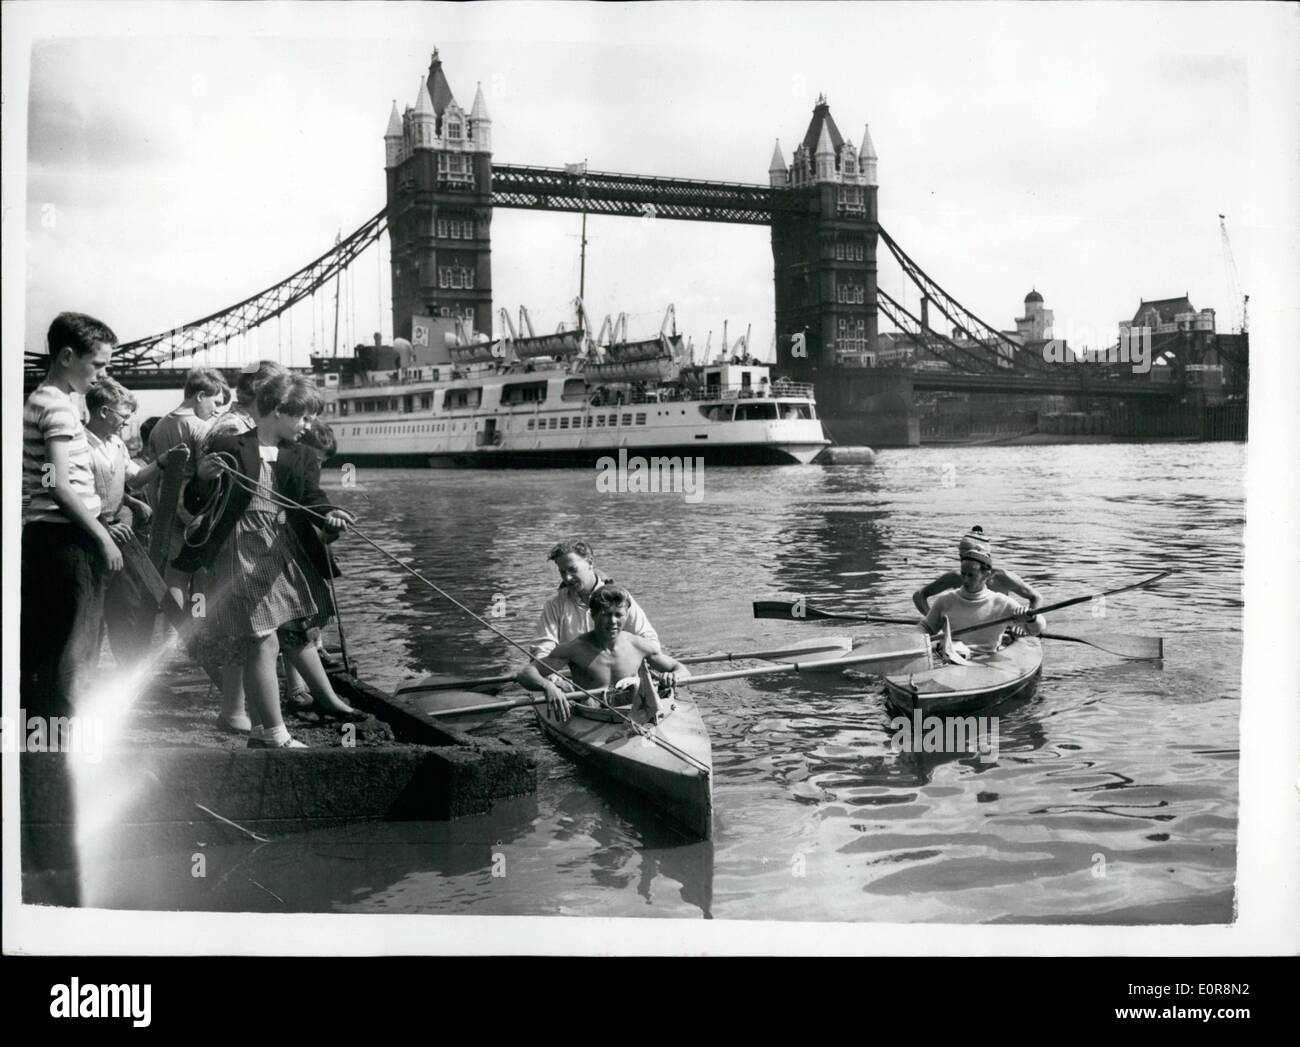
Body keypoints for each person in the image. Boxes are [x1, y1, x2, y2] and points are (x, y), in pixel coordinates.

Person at [179, 375, 357, 747]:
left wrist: (331, 517)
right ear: (277, 411)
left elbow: (312, 499)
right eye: (304, 418)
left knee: (270, 637)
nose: (307, 426)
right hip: (237, 547)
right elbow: (196, 503)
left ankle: (262, 730)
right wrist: (201, 478)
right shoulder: (228, 444)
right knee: (262, 640)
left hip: (280, 550)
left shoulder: (303, 455)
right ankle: (275, 734)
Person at [21, 312, 121, 726]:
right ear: (66, 357)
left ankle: (45, 740)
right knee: (74, 648)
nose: (102, 374)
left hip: (49, 538)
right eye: (97, 364)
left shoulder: (49, 400)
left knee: (48, 644)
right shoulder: (58, 409)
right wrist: (103, 537)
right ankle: (67, 745)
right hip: (67, 540)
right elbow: (59, 484)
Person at [192, 360, 288, 732]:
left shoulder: (239, 423)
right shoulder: (234, 429)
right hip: (240, 538)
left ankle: (234, 711)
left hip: (239, 536)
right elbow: (237, 494)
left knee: (241, 631)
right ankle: (270, 728)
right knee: (262, 637)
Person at [83, 377, 174, 667]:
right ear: (104, 412)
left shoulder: (117, 444)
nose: (127, 421)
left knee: (127, 607)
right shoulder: (79, 445)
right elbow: (73, 493)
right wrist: (104, 525)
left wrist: (162, 463)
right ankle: (85, 679)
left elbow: (135, 477)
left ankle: (129, 672)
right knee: (91, 613)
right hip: (91, 533)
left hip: (120, 534)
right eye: (123, 415)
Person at [518, 585, 689, 722]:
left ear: (626, 615)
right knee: (556, 684)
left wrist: (672, 677)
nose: (613, 621)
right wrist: (548, 687)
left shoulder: (639, 645)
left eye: (618, 615)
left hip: (637, 713)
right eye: (605, 614)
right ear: (593, 615)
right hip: (593, 715)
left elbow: (681, 669)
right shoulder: (575, 649)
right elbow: (526, 673)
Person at [146, 367, 230, 612]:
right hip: (195, 504)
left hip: (166, 502)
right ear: (201, 395)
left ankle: (174, 632)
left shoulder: (159, 426)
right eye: (215, 402)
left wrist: (156, 507)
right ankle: (198, 622)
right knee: (201, 569)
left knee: (176, 572)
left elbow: (153, 475)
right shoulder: (200, 428)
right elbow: (213, 474)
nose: (216, 410)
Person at [517, 539, 658, 676]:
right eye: (562, 572)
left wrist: (645, 672)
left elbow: (649, 640)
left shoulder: (619, 597)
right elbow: (542, 651)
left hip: (623, 678)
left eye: (572, 570)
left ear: (590, 562)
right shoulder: (554, 605)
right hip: (574, 682)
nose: (568, 578)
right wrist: (554, 681)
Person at [919, 538, 1045, 655]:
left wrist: (1030, 618)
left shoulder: (1002, 603)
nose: (965, 580)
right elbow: (926, 627)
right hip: (948, 656)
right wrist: (911, 639)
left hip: (985, 659)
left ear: (986, 576)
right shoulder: (945, 600)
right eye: (963, 574)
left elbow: (1036, 629)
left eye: (971, 575)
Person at [912, 525, 1041, 615]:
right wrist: (932, 620)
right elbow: (919, 595)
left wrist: (1027, 618)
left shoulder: (1004, 577)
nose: (964, 563)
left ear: (986, 558)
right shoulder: (955, 577)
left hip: (1001, 631)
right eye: (962, 558)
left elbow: (1036, 597)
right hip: (964, 632)